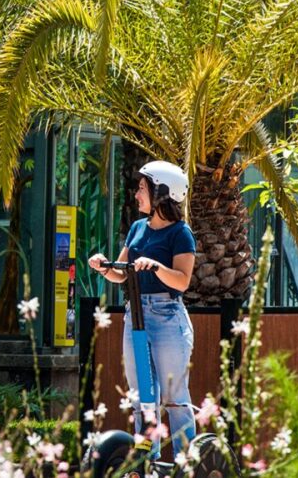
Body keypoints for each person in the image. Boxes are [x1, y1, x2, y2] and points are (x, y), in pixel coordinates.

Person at [88, 160, 196, 458]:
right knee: (142, 397)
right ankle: (149, 460)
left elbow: (183, 281)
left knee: (174, 397)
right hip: (134, 314)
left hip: (167, 316)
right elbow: (121, 273)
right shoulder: (137, 228)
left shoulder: (180, 233)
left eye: (142, 188)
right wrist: (103, 266)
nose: (136, 195)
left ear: (162, 192)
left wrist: (157, 267)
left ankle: (185, 461)